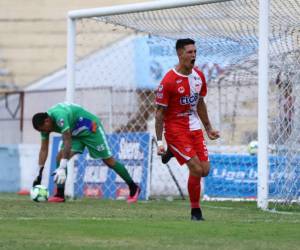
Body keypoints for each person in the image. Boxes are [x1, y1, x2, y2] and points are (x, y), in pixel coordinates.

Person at [155, 38, 220, 221]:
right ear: (180, 54)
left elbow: (200, 103)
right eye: (190, 52)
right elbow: (159, 114)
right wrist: (160, 142)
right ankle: (195, 212)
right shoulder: (168, 81)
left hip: (194, 127)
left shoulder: (199, 76)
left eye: (195, 52)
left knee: (205, 170)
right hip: (175, 129)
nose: (193, 56)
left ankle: (173, 153)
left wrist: (209, 128)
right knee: (196, 169)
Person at [32, 102, 140, 203]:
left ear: (47, 121)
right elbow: (44, 149)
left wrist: (62, 167)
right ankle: (60, 195)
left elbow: (67, 139)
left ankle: (133, 187)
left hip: (90, 128)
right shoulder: (44, 127)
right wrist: (39, 174)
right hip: (75, 133)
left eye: (43, 129)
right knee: (60, 157)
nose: (44, 132)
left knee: (109, 161)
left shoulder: (60, 117)